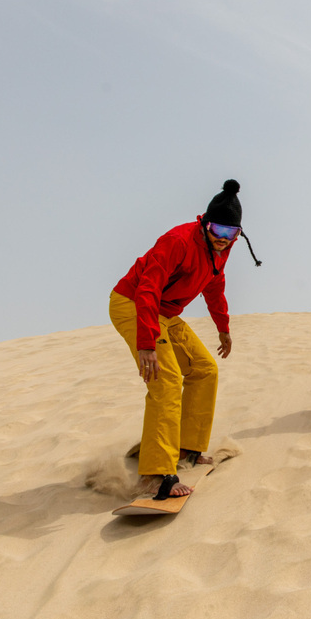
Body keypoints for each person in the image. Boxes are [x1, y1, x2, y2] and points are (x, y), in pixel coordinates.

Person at [109, 180, 260, 499]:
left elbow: (215, 288)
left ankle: (187, 448)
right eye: (217, 230)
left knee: (205, 370)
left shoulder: (222, 250)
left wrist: (223, 327)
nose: (222, 239)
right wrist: (147, 343)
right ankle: (153, 474)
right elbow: (148, 288)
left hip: (165, 312)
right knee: (165, 381)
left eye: (230, 234)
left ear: (238, 235)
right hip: (133, 302)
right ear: (204, 222)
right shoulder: (178, 241)